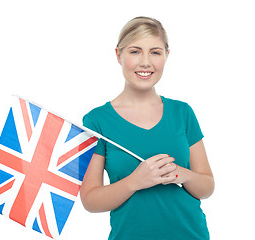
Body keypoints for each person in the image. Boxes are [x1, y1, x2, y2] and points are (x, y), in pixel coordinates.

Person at [81, 16, 214, 240]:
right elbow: (90, 200)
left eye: (155, 52)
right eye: (135, 51)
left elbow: (207, 187)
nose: (145, 62)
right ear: (118, 55)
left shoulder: (182, 113)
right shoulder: (97, 121)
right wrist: (136, 181)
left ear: (166, 56)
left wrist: (184, 174)